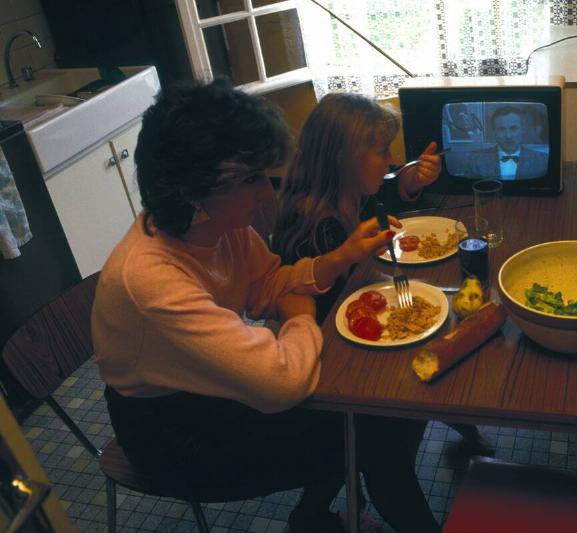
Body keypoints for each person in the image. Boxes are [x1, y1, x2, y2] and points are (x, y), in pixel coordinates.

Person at [91, 79, 440, 533]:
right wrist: (300, 316)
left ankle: (312, 517)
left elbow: (271, 282)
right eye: (252, 179)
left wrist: (334, 262)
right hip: (175, 434)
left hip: (208, 386)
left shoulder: (216, 225)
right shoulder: (150, 281)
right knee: (371, 433)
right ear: (193, 190)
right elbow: (282, 382)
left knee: (368, 419)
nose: (268, 194)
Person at [272, 92, 494, 455]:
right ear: (344, 158)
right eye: (382, 151)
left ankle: (455, 417)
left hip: (370, 322)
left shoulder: (349, 191)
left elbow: (388, 188)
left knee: (444, 331)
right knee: (390, 448)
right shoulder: (309, 227)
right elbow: (318, 310)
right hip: (336, 361)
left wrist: (412, 179)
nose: (390, 160)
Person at [465, 105, 548, 180]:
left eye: (514, 128)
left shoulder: (542, 160)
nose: (508, 136)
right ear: (494, 132)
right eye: (501, 129)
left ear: (523, 130)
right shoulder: (476, 160)